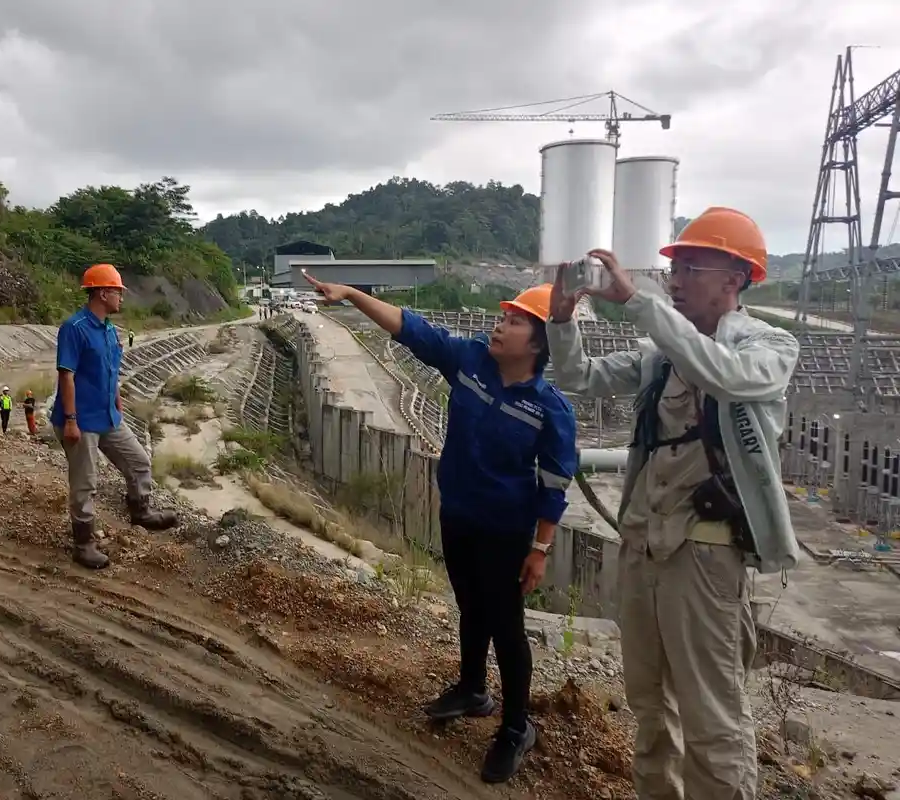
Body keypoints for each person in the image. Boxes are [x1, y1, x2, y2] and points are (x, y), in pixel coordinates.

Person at [544, 207, 800, 800]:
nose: (676, 281)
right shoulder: (660, 354)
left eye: (689, 269)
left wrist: (640, 303)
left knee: (712, 718)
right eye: (673, 271)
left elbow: (725, 375)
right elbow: (580, 375)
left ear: (733, 279)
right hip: (644, 550)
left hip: (704, 558)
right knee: (650, 710)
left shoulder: (768, 345)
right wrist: (562, 321)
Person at [302, 271, 578, 785]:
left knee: (506, 627)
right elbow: (413, 330)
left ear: (540, 343)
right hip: (458, 515)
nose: (500, 325)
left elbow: (555, 484)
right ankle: (473, 689)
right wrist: (354, 294)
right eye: (503, 316)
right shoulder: (469, 362)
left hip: (504, 531)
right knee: (470, 605)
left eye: (515, 321)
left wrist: (540, 548)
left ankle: (516, 727)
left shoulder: (550, 410)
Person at [51, 263, 179, 569]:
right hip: (81, 420)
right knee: (85, 482)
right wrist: (70, 420)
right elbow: (66, 376)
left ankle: (141, 512)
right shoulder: (74, 328)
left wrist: (117, 401)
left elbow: (111, 371)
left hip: (108, 415)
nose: (121, 297)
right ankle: (83, 544)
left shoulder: (110, 330)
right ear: (102, 293)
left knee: (139, 462)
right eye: (117, 291)